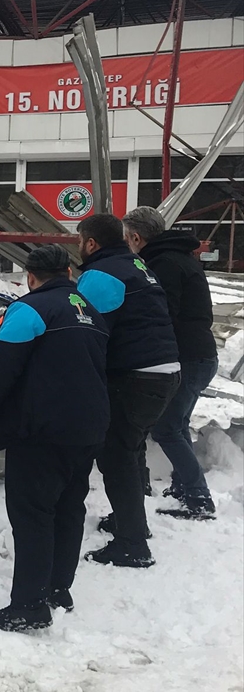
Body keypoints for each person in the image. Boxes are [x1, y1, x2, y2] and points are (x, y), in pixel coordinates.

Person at [0, 245, 109, 632]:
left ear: (30, 276)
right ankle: (58, 588)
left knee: (32, 514)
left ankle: (28, 605)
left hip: (44, 429)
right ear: (66, 272)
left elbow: (2, 370)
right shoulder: (89, 310)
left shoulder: (29, 309)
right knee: (69, 507)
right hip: (89, 424)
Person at [76, 213, 180, 569]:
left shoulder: (99, 274)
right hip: (165, 370)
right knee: (130, 449)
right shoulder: (136, 264)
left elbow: (86, 330)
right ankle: (130, 522)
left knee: (116, 455)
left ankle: (132, 544)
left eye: (80, 242)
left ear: (91, 244)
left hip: (136, 376)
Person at [123, 206, 217, 520]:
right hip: (201, 354)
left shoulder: (162, 265)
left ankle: (198, 498)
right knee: (176, 425)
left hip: (188, 358)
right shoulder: (181, 258)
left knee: (166, 429)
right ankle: (182, 487)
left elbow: (162, 313)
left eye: (127, 238)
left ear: (136, 237)